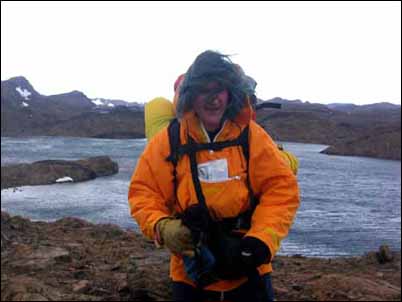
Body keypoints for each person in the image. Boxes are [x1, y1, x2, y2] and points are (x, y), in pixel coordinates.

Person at [128, 50, 300, 302]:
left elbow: (281, 190)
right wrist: (162, 227)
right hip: (192, 273)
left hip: (249, 264)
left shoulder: (251, 136)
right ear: (190, 97)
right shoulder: (170, 139)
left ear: (230, 94)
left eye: (219, 90)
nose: (213, 100)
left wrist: (262, 240)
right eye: (203, 91)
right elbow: (145, 192)